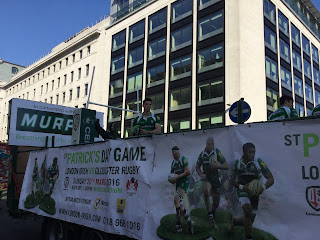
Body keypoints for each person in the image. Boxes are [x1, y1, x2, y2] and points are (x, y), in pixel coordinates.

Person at [230, 143, 274, 240]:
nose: (252, 154)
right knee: (247, 211)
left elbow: (271, 178)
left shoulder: (258, 162)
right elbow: (232, 181)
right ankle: (249, 237)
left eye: (254, 152)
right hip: (242, 191)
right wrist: (242, 187)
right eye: (250, 152)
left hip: (255, 194)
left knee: (251, 218)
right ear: (244, 152)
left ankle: (236, 221)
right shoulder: (237, 163)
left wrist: (263, 187)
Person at [195, 137, 228, 229]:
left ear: (213, 145)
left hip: (215, 178)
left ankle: (212, 212)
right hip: (206, 177)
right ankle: (210, 217)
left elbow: (226, 165)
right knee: (206, 192)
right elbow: (197, 167)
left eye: (209, 144)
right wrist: (201, 174)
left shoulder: (217, 152)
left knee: (216, 201)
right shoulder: (202, 154)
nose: (207, 146)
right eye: (206, 144)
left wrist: (218, 166)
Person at [168, 146, 195, 234]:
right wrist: (171, 179)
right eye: (172, 153)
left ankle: (178, 226)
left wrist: (178, 177)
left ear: (177, 152)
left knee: (176, 200)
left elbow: (188, 172)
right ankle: (190, 222)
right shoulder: (173, 163)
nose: (172, 154)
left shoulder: (183, 159)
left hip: (184, 182)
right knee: (181, 208)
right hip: (178, 184)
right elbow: (172, 176)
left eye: (174, 153)